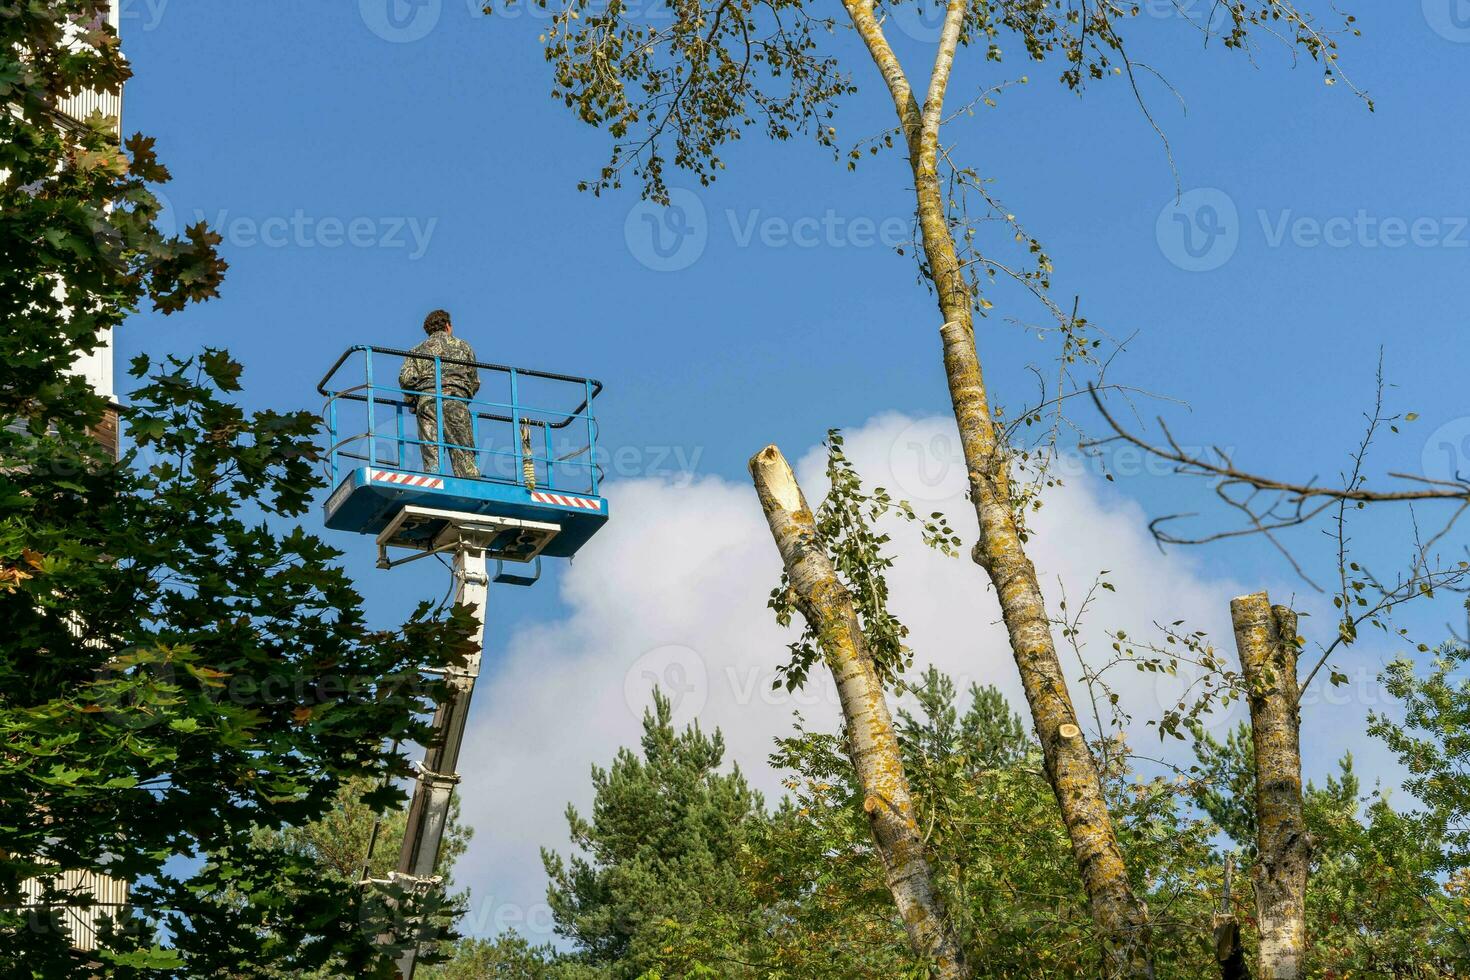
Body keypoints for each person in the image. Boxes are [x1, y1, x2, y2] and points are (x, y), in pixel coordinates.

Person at [398, 309, 481, 479]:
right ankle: (470, 485)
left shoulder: (416, 350)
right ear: (448, 326)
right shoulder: (463, 346)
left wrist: (413, 398)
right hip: (455, 401)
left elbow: (406, 379)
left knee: (431, 451)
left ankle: (433, 481)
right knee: (463, 452)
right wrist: (464, 394)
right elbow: (474, 381)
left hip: (427, 403)